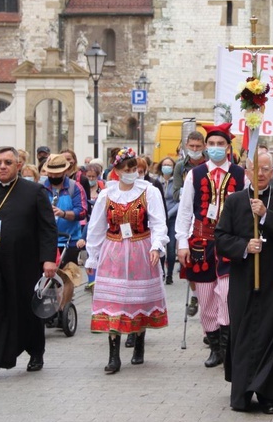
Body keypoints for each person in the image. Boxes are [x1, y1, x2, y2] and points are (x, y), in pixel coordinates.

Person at [215, 151, 273, 414]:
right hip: (243, 275)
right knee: (243, 331)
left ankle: (267, 394)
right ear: (246, 170)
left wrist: (265, 216)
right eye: (255, 169)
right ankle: (242, 392)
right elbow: (220, 237)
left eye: (265, 169)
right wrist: (243, 246)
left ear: (272, 173)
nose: (260, 174)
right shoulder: (235, 201)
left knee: (271, 332)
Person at [0, 146, 58, 384]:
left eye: (8, 162)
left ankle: (35, 350)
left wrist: (49, 259)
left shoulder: (35, 191)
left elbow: (47, 227)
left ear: (18, 165)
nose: (3, 166)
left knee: (25, 309)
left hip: (24, 260)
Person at [84, 148, 168, 374]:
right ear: (117, 171)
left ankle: (139, 342)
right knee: (115, 302)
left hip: (141, 248)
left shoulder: (149, 191)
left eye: (134, 169)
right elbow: (97, 227)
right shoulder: (106, 194)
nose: (132, 173)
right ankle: (113, 356)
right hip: (114, 250)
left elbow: (159, 222)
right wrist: (93, 255)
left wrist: (156, 245)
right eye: (127, 169)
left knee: (138, 298)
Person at [176, 123, 245, 367]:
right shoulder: (194, 175)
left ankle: (227, 347)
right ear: (206, 147)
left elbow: (247, 210)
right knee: (205, 300)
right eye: (212, 144)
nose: (216, 148)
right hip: (200, 244)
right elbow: (185, 212)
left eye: (220, 144)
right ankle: (214, 347)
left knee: (226, 296)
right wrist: (182, 243)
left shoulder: (240, 174)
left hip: (230, 243)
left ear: (228, 147)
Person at [172, 130, 208, 317]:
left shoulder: (210, 163)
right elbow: (175, 193)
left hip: (208, 214)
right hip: (189, 215)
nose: (194, 150)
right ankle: (195, 294)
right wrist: (189, 188)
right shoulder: (180, 166)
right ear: (187, 146)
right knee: (189, 262)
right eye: (191, 146)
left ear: (203, 146)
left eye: (198, 147)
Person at [42, 154, 87, 268]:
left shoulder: (75, 187)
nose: (53, 176)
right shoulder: (41, 188)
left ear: (65, 171)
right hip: (46, 241)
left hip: (70, 241)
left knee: (67, 277)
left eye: (57, 173)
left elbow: (82, 211)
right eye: (50, 173)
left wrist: (63, 213)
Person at [157, 156, 178, 284]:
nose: (167, 167)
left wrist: (168, 214)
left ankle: (170, 273)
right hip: (159, 219)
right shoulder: (156, 181)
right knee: (160, 246)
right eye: (165, 164)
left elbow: (179, 202)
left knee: (170, 248)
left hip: (172, 218)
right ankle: (162, 272)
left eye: (169, 165)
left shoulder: (176, 182)